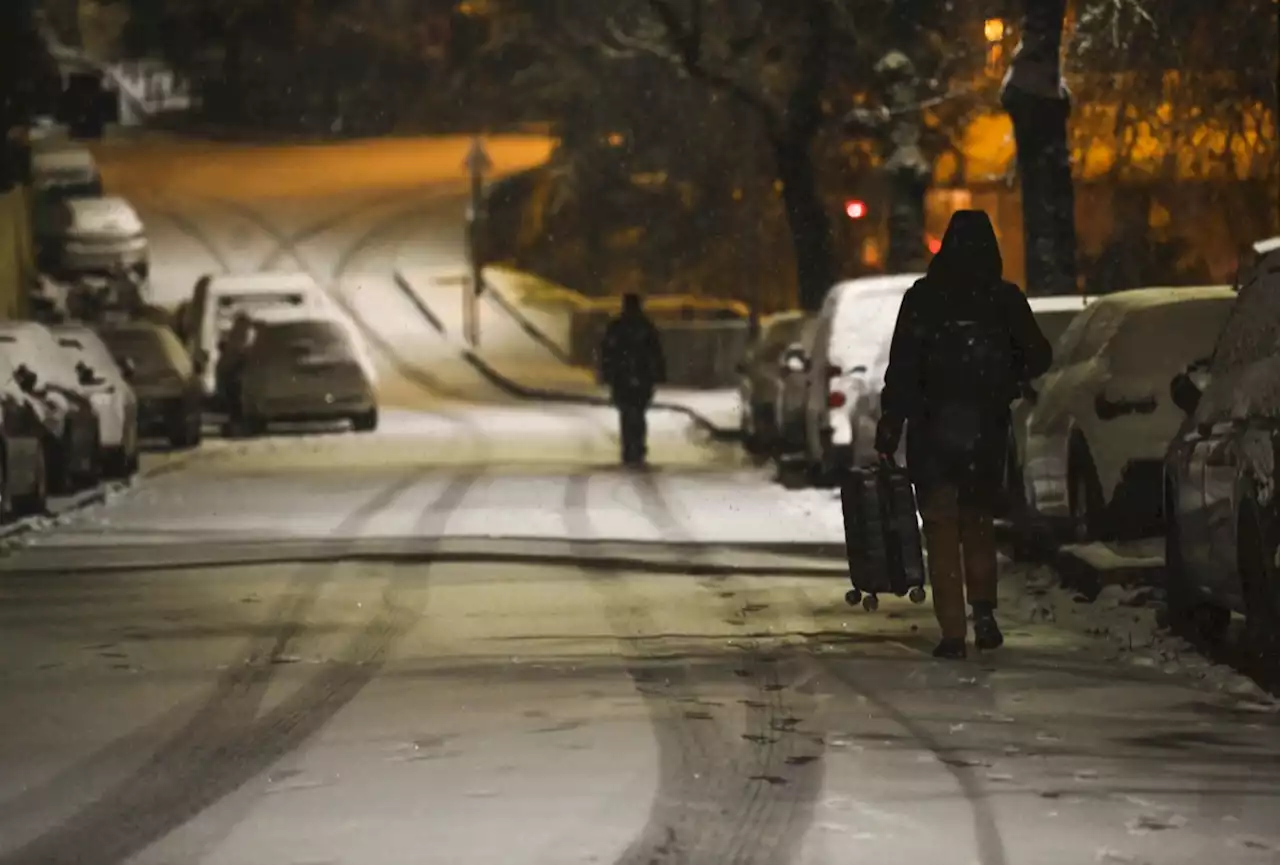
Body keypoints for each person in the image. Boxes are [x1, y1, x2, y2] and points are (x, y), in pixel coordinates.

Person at [875, 210, 1052, 660]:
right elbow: (1039, 355)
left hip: (933, 430)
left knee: (939, 527)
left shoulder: (923, 299)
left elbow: (903, 367)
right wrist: (1007, 376)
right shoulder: (1003, 298)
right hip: (985, 429)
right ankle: (985, 609)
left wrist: (891, 424)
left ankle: (953, 631)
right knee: (977, 521)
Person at [599, 293, 667, 467]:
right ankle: (637, 444)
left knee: (627, 412)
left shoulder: (617, 327)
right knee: (638, 412)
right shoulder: (645, 327)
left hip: (623, 377)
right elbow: (656, 353)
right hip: (639, 377)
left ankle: (630, 445)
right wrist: (658, 374)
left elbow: (607, 352)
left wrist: (606, 374)